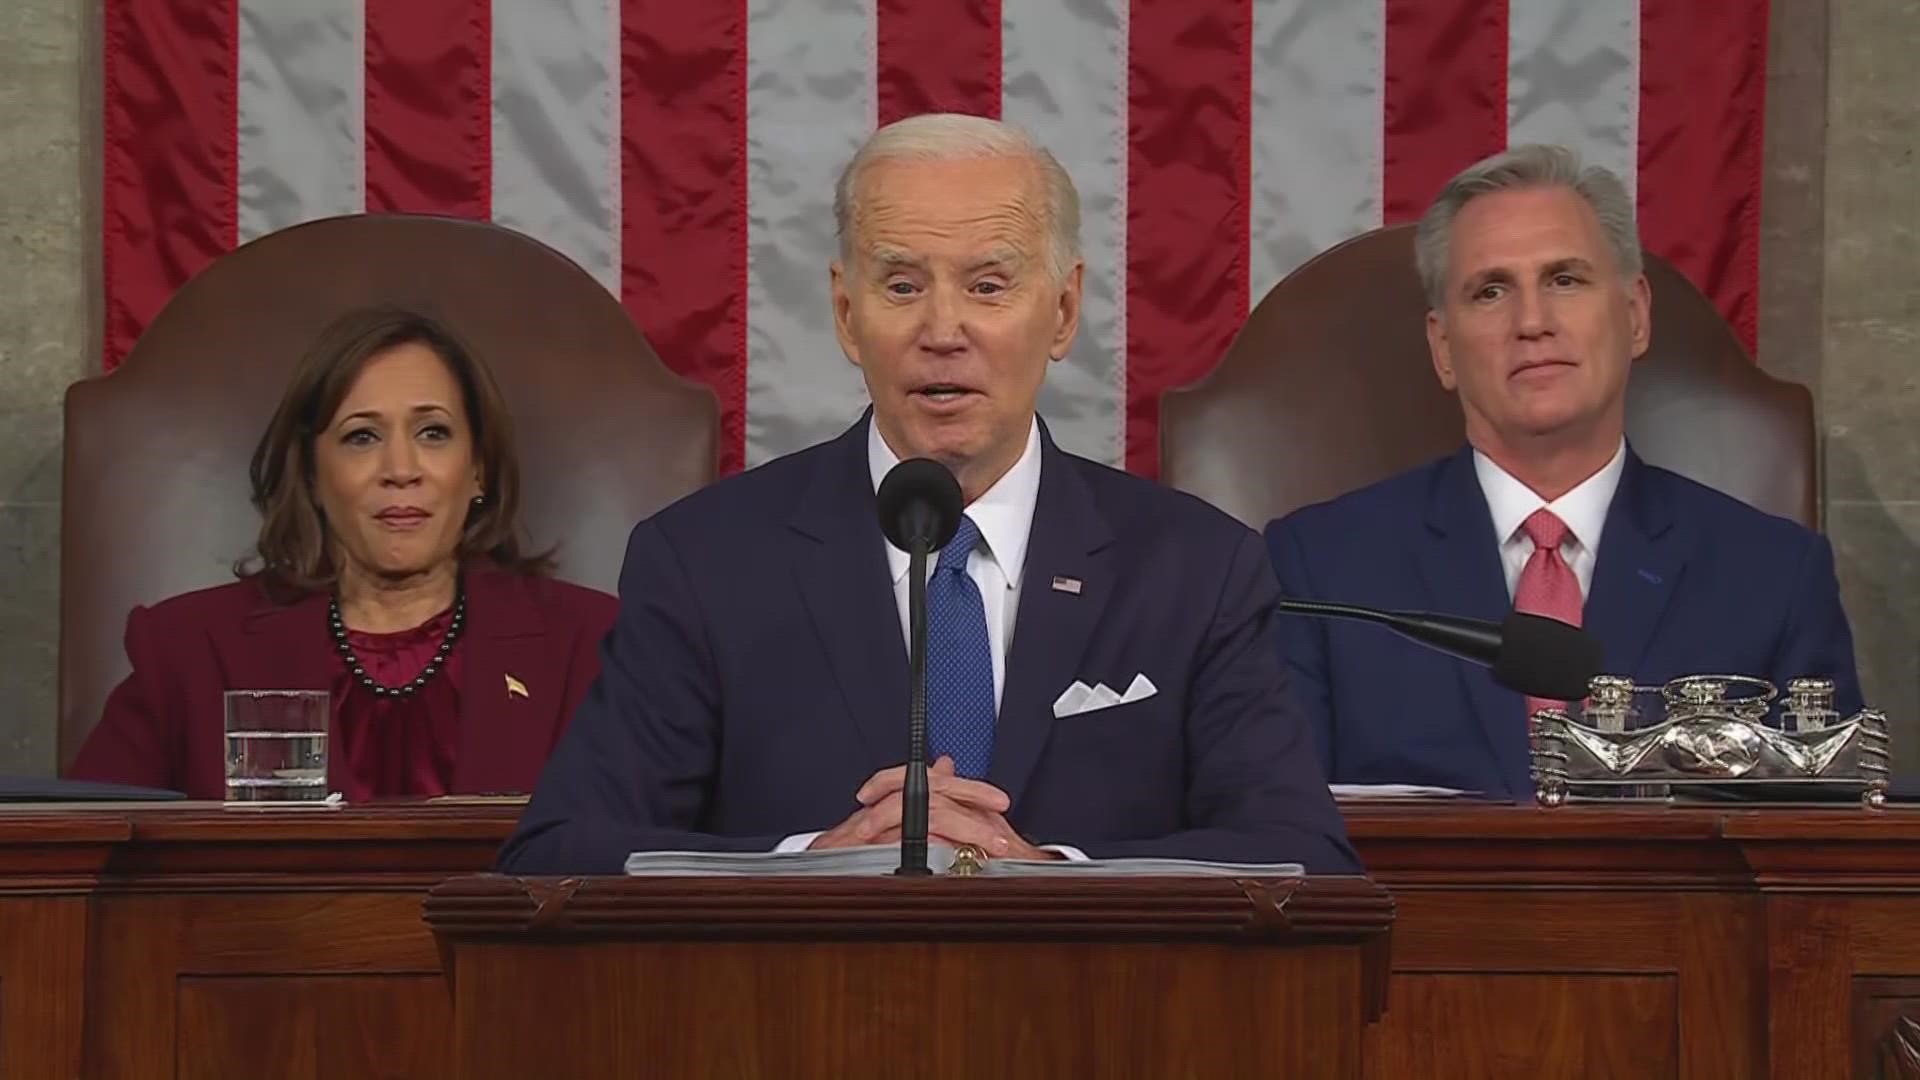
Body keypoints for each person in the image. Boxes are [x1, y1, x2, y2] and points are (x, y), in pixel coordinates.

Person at [500, 113, 1355, 874]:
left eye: (988, 285)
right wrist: (814, 861)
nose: (943, 332)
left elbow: (1302, 856)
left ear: (1062, 313)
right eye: (902, 285)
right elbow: (561, 851)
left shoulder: (1194, 569)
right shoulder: (706, 561)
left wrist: (1046, 869)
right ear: (845, 313)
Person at [1265, 144, 1862, 800]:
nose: (1532, 322)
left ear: (1634, 316)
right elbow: (1290, 845)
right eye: (1490, 291)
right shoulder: (1321, 569)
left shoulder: (1775, 575)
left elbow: (1819, 857)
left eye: (1565, 280)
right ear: (1443, 349)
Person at [68, 308, 618, 800]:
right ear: (310, 472)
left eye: (433, 432)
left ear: (479, 468)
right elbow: (83, 866)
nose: (401, 469)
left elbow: (650, 862)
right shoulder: (188, 652)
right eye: (361, 437)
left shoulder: (591, 646)